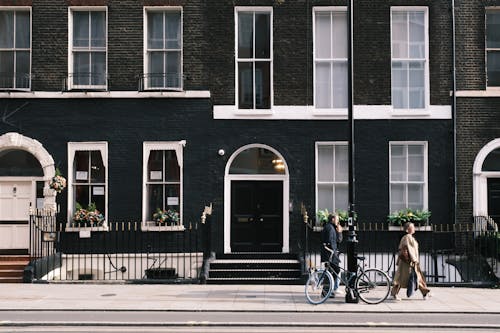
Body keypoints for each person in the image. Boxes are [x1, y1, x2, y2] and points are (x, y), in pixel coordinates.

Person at [390, 222, 431, 300]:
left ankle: (425, 292)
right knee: (403, 278)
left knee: (414, 277)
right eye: (412, 227)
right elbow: (409, 249)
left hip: (409, 262)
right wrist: (414, 260)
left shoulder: (410, 237)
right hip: (407, 262)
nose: (414, 228)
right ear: (407, 229)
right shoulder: (407, 237)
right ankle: (393, 294)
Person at [321, 213, 343, 296]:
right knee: (332, 271)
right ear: (333, 219)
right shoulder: (329, 228)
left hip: (331, 253)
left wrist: (339, 232)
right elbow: (331, 241)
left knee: (333, 271)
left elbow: (338, 240)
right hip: (329, 254)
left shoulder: (331, 227)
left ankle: (330, 290)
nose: (338, 221)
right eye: (337, 219)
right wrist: (333, 251)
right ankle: (328, 290)